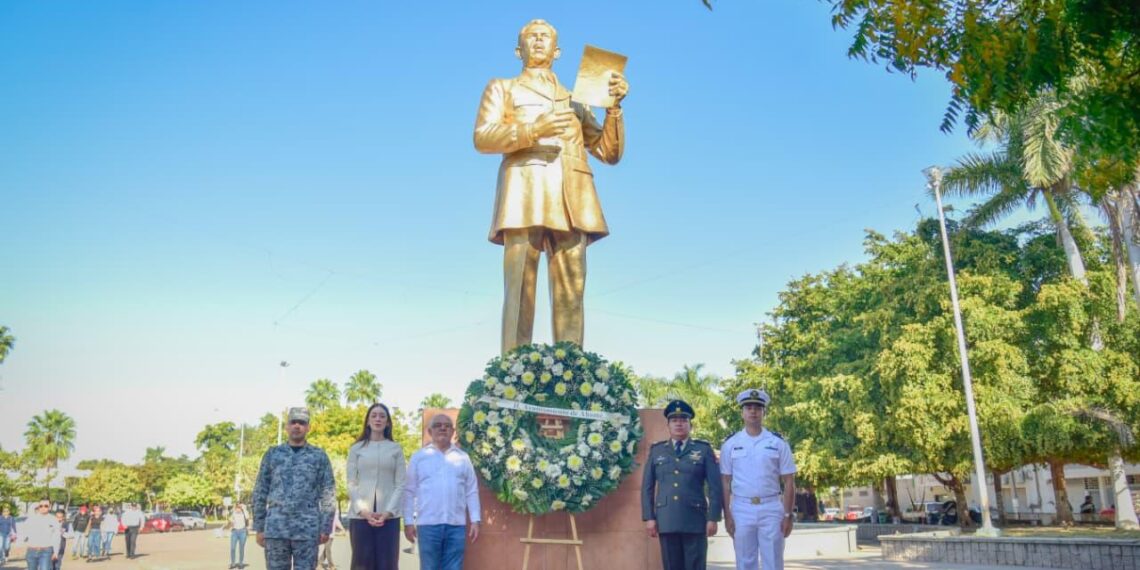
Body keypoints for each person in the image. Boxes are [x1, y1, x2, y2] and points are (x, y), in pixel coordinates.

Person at [474, 18, 629, 354]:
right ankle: (513, 373)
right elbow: (483, 137)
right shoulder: (503, 88)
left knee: (571, 292)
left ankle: (572, 375)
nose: (539, 41)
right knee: (519, 292)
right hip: (524, 194)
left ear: (558, 51)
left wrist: (614, 110)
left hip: (573, 198)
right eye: (532, 37)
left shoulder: (576, 99)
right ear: (519, 49)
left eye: (546, 37)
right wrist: (533, 129)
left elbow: (607, 152)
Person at [641, 400, 723, 570]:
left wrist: (713, 518)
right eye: (674, 420)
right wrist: (649, 517)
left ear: (690, 425)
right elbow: (647, 487)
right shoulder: (657, 451)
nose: (679, 424)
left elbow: (715, 487)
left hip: (695, 520)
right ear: (668, 425)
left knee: (695, 566)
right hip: (667, 520)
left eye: (683, 420)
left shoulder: (703, 450)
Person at [720, 389, 797, 570]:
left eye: (757, 408)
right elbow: (724, 483)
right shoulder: (731, 444)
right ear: (742, 412)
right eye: (748, 407)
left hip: (771, 507)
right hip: (742, 508)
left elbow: (789, 481)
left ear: (764, 412)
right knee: (745, 562)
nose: (753, 411)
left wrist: (788, 515)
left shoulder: (777, 443)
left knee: (773, 561)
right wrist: (727, 515)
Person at [252, 407, 337, 570]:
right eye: (293, 422)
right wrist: (259, 526)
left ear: (308, 427)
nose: (297, 426)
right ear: (287, 426)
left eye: (302, 423)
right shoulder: (272, 454)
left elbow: (328, 493)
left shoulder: (319, 456)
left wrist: (326, 527)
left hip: (307, 530)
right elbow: (260, 491)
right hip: (276, 529)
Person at [402, 414, 481, 570]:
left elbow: (471, 491)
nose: (443, 428)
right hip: (428, 525)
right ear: (430, 431)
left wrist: (475, 520)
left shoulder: (463, 458)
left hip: (456, 526)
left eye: (447, 425)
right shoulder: (419, 458)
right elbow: (409, 491)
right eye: (438, 425)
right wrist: (408, 522)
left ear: (453, 432)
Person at [347, 402, 407, 569]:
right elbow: (351, 482)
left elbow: (400, 483)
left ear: (388, 422)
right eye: (373, 415)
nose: (378, 419)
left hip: (388, 517)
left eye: (382, 416)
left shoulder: (396, 449)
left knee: (387, 564)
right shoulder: (356, 449)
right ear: (367, 421)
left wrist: (388, 512)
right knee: (361, 564)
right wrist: (363, 511)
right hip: (361, 517)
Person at [19, 499, 60, 570]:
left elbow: (56, 537)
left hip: (46, 551)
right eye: (41, 506)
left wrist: (56, 552)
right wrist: (21, 541)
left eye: (46, 506)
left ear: (49, 507)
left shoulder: (53, 520)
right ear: (38, 507)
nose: (43, 508)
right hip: (31, 551)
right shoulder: (31, 519)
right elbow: (23, 533)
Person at [317, 505, 343, 570]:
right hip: (326, 532)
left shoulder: (335, 510)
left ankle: (318, 563)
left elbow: (336, 520)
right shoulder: (325, 508)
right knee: (328, 550)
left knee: (326, 550)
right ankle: (331, 565)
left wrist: (342, 528)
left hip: (332, 533)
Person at [224, 503, 250, 569]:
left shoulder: (244, 513)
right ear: (235, 508)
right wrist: (229, 525)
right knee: (232, 548)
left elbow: (247, 517)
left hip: (242, 532)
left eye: (239, 507)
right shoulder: (233, 513)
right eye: (237, 507)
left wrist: (244, 509)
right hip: (234, 532)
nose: (238, 509)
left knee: (241, 548)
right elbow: (230, 521)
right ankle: (233, 563)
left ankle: (240, 563)